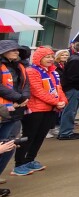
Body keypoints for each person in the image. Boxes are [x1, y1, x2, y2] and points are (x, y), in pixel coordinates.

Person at [14, 46, 66, 175]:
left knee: (40, 136)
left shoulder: (52, 72)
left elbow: (58, 88)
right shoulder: (32, 71)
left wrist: (63, 101)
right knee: (29, 136)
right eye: (47, 57)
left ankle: (30, 159)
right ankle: (19, 164)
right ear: (39, 58)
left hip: (49, 109)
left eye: (52, 57)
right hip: (35, 109)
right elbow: (37, 91)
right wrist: (56, 102)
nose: (50, 59)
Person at [0, 40, 31, 188]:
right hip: (3, 111)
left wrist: (23, 97)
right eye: (12, 49)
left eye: (17, 50)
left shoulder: (20, 66)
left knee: (10, 143)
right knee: (2, 144)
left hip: (16, 111)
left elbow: (26, 85)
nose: (16, 52)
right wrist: (18, 97)